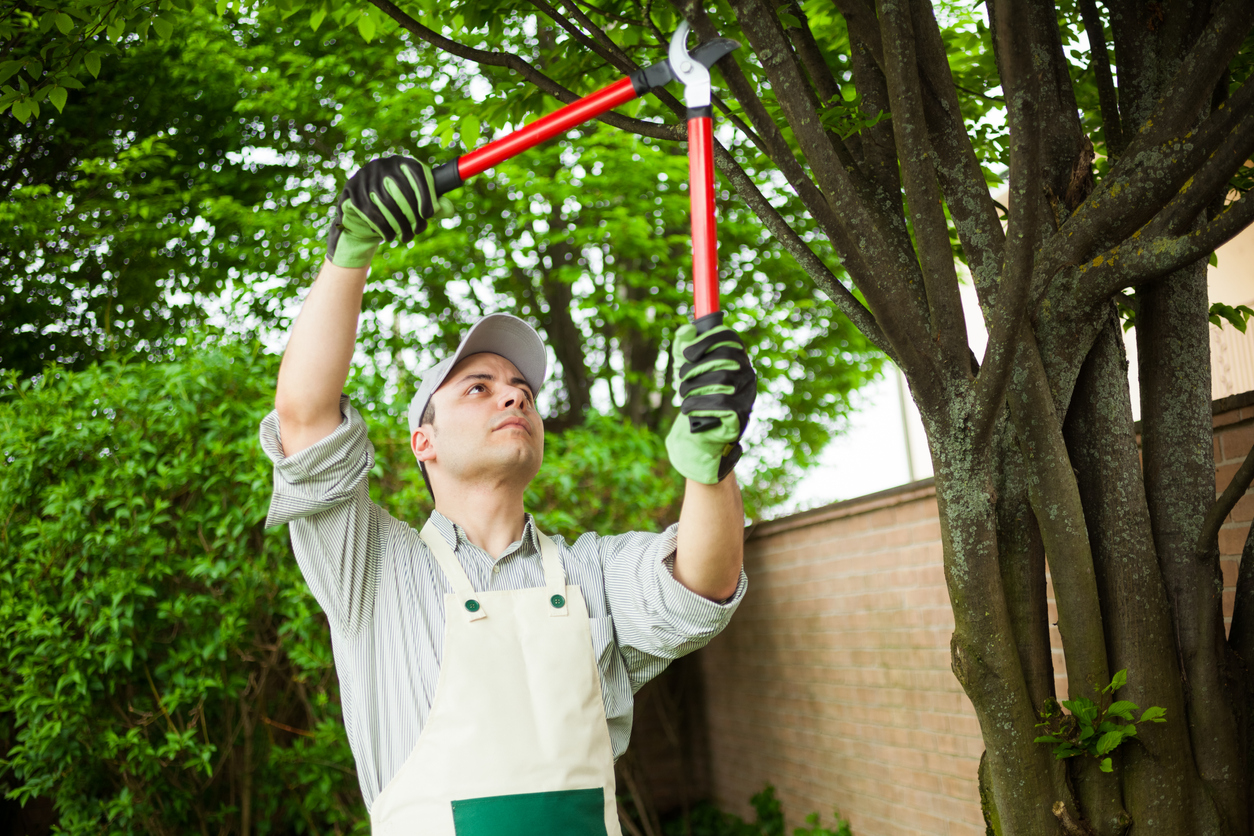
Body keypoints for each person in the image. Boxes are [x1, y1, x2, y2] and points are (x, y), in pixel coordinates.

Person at [260, 156, 757, 836]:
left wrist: (713, 459)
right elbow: (305, 420)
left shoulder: (593, 575)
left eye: (522, 389)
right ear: (423, 443)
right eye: (479, 387)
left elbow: (704, 581)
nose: (514, 393)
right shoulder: (371, 571)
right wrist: (351, 248)